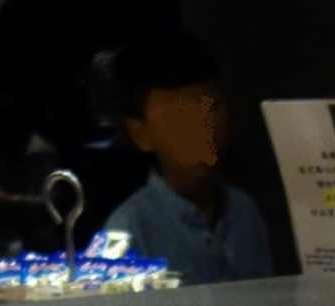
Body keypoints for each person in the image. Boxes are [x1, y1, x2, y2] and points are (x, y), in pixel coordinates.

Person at [94, 34, 273, 285]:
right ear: (140, 133)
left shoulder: (245, 211)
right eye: (178, 117)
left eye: (211, 109)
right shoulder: (125, 232)